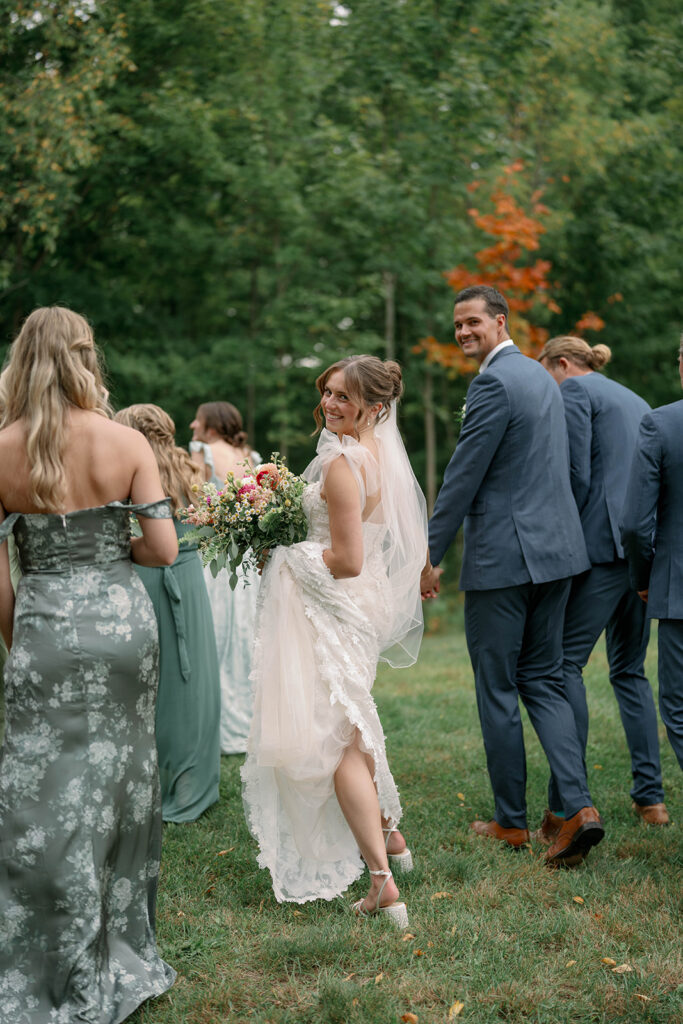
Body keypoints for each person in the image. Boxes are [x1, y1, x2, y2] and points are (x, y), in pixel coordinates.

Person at [0, 308, 178, 1021]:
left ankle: (44, 953)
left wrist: (25, 640)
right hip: (123, 630)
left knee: (41, 798)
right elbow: (163, 550)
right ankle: (119, 950)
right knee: (121, 792)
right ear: (84, 359)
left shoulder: (1, 448)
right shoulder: (126, 440)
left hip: (44, 628)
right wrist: (109, 554)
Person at [421, 285, 605, 867]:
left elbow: (463, 475)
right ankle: (578, 809)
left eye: (472, 321)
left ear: (499, 322)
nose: (463, 331)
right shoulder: (543, 379)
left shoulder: (494, 383)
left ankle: (512, 823)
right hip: (558, 555)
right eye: (457, 324)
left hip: (506, 559)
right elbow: (573, 470)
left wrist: (430, 551)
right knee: (545, 677)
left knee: (498, 688)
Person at [241, 356, 427, 926]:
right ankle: (391, 841)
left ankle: (381, 882)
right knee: (351, 728)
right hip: (354, 605)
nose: (329, 404)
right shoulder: (372, 457)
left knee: (340, 740)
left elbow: (345, 560)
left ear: (376, 407)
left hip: (336, 606)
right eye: (328, 393)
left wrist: (283, 554)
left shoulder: (346, 463)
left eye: (344, 397)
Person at [538, 336, 667, 834]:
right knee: (630, 673)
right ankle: (651, 798)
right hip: (642, 556)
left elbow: (576, 477)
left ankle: (571, 801)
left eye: (545, 375)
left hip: (599, 553)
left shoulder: (575, 393)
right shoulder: (634, 399)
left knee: (564, 665)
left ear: (563, 365)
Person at [115, 404, 221, 823]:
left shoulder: (129, 472)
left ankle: (153, 780)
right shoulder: (192, 470)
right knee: (192, 679)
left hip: (147, 574)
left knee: (150, 682)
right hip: (190, 578)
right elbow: (210, 524)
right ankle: (196, 781)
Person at [621, 335, 683, 774]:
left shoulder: (661, 424)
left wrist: (643, 577)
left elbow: (636, 523)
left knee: (679, 706)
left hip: (679, 590)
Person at [190, 402, 260, 754]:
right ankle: (249, 722)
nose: (192, 425)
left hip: (215, 558)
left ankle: (216, 725)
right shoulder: (251, 456)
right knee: (245, 634)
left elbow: (195, 504)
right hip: (247, 560)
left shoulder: (202, 452)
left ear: (211, 428)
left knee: (213, 635)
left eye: (198, 421)